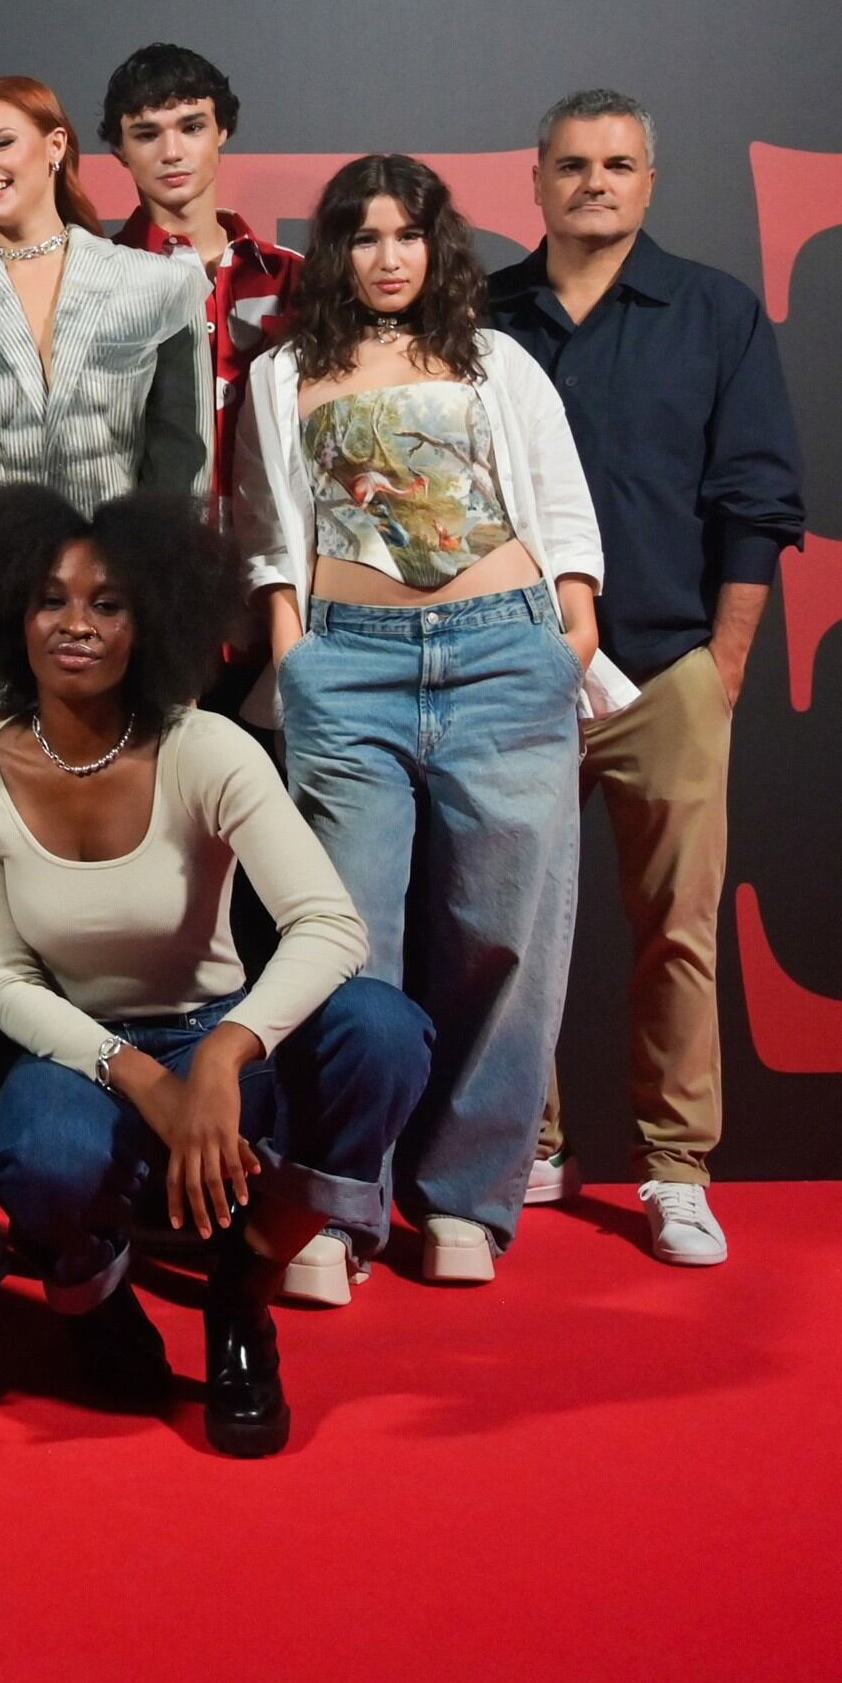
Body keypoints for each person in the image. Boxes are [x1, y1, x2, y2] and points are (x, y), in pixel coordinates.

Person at [0, 486, 430, 1455]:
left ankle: (242, 1293)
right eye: (50, 599)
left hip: (220, 1030)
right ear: (11, 616)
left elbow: (330, 926)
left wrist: (222, 1056)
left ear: (150, 619)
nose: (77, 623)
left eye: (108, 602)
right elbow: (7, 984)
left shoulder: (207, 748)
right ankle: (93, 1297)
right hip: (85, 1054)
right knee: (41, 1152)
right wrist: (146, 1078)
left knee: (383, 1031)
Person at [237, 154, 613, 1291]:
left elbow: (559, 502)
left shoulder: (495, 358)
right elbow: (267, 535)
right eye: (364, 236)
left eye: (408, 234)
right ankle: (335, 1205)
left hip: (505, 656)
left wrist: (572, 630)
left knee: (502, 937)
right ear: (335, 251)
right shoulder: (283, 373)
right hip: (347, 669)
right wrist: (295, 658)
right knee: (345, 941)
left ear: (436, 244)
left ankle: (465, 1200)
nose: (388, 257)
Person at [489, 92, 805, 1266]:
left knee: (676, 929)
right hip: (514, 672)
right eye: (573, 164)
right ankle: (525, 1143)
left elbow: (758, 499)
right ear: (535, 177)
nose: (594, 182)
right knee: (507, 931)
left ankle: (676, 1169)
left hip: (668, 666)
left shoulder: (715, 311)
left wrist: (722, 666)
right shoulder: (478, 316)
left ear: (649, 182)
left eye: (617, 164)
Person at [0, 75, 212, 740]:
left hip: (132, 619)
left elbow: (184, 457)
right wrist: (18, 589)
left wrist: (116, 589)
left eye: (0, 143)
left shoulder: (159, 286)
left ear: (56, 145)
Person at [97, 43, 304, 550]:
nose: (172, 152)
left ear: (222, 131)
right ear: (119, 150)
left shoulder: (293, 277)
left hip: (278, 556)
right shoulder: (93, 282)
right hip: (144, 555)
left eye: (192, 127)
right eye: (147, 134)